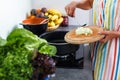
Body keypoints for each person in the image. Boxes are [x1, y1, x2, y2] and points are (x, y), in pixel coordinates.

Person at [65, 0, 120, 80]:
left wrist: (114, 34)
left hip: (115, 52)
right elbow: (91, 3)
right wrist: (77, 4)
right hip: (97, 49)